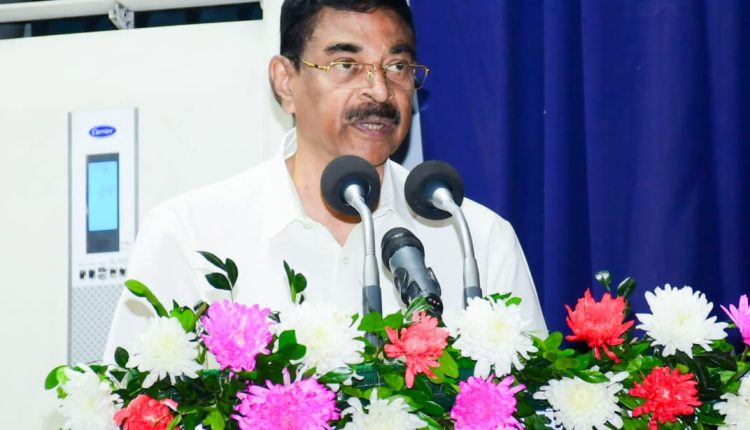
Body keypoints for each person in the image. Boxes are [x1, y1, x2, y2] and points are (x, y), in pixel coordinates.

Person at [104, 0, 547, 361]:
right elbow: (135, 411)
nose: (380, 91)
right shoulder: (190, 237)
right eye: (346, 64)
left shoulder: (474, 237)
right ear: (284, 82)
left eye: (397, 66)